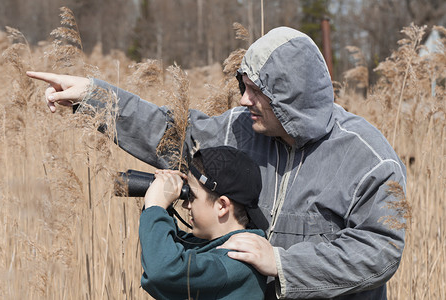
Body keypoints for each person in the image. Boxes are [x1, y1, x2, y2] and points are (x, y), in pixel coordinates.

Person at [27, 26, 407, 299]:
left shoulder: (368, 160)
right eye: (243, 87)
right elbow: (171, 134)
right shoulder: (240, 129)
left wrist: (283, 263)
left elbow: (380, 250)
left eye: (255, 91)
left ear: (290, 97)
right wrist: (95, 98)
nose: (242, 100)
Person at [139, 145, 266, 299]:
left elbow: (161, 271)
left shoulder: (235, 261)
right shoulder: (217, 247)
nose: (186, 204)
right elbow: (168, 249)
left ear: (222, 206)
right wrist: (162, 205)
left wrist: (156, 207)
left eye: (191, 196)